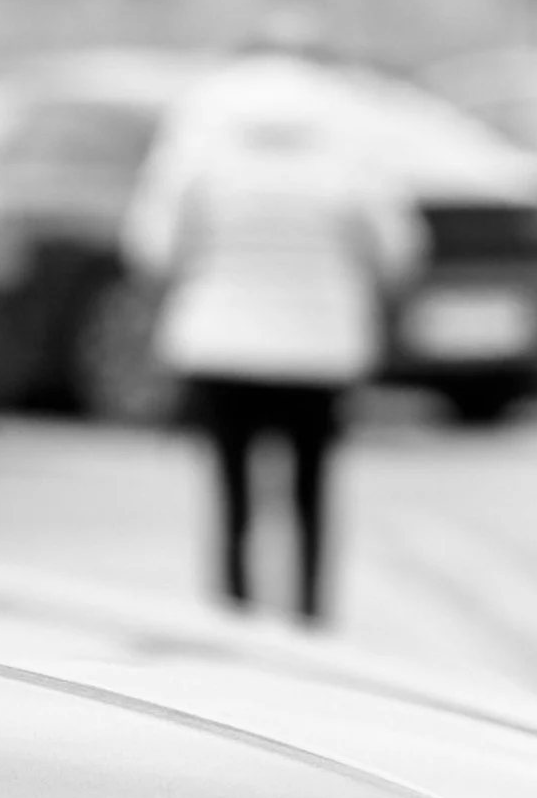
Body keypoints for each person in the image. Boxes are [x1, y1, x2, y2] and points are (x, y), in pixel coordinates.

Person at [122, 47, 421, 621]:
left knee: (231, 497)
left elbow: (153, 246)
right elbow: (397, 250)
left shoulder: (202, 135)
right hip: (321, 348)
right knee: (312, 493)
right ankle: (310, 620)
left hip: (219, 344)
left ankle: (232, 620)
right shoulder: (348, 140)